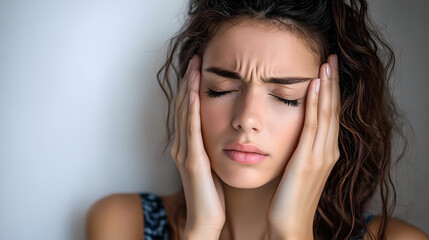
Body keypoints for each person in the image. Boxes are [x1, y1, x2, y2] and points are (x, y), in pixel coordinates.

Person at [86, 0, 429, 239]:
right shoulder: (123, 224)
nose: (246, 119)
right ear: (189, 94)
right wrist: (201, 230)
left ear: (335, 111)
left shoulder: (396, 238)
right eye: (220, 89)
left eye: (285, 97)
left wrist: (291, 234)